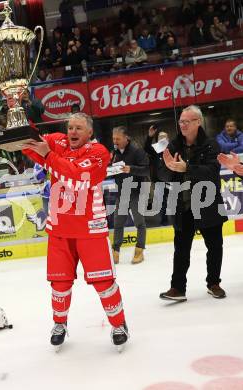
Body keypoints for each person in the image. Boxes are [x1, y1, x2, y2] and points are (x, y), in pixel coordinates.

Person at [20, 113, 129, 350]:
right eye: (70, 127)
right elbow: (29, 144)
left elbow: (75, 173)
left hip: (90, 228)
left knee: (104, 283)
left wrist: (47, 156)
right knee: (59, 284)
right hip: (59, 228)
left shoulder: (98, 153)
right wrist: (17, 114)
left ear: (89, 132)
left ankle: (119, 324)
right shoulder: (57, 142)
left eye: (79, 128)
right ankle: (59, 324)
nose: (73, 132)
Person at [159, 105, 227, 302]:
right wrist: (170, 168)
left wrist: (186, 168)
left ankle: (214, 283)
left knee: (215, 246)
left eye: (187, 121)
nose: (183, 125)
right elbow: (161, 172)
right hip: (183, 206)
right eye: (181, 121)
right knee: (181, 249)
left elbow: (212, 171)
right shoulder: (173, 145)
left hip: (208, 204)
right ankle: (177, 288)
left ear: (198, 122)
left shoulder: (211, 145)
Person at [111, 126, 149, 264]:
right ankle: (115, 252)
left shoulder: (137, 151)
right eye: (113, 138)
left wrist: (131, 169)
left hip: (137, 191)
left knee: (139, 222)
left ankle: (139, 251)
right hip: (122, 192)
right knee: (118, 223)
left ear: (126, 138)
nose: (115, 141)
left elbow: (146, 170)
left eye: (118, 138)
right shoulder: (114, 152)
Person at [144, 125, 170, 225]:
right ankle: (164, 220)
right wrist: (150, 136)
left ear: (168, 139)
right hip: (158, 180)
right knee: (162, 202)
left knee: (176, 200)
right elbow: (146, 147)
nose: (162, 139)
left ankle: (178, 219)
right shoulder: (155, 150)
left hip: (172, 179)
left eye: (164, 137)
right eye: (160, 137)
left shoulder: (172, 148)